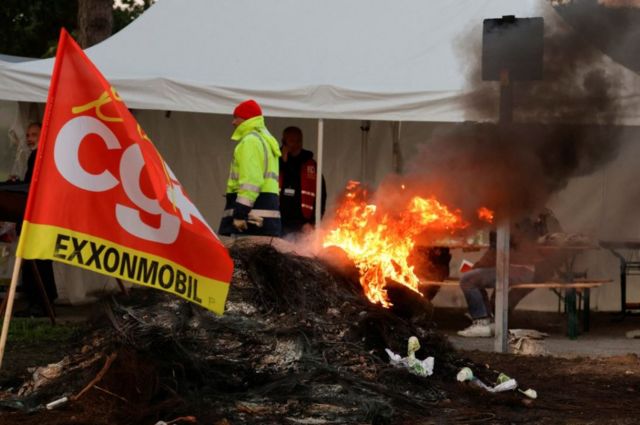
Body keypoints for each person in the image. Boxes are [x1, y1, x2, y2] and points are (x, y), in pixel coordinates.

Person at [457, 209, 563, 337]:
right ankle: (487, 320)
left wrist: (476, 268)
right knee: (475, 279)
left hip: (518, 270)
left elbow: (494, 253)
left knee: (467, 280)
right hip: (525, 270)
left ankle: (482, 322)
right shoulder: (525, 217)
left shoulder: (507, 221)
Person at [5, 123, 58, 316]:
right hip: (39, 215)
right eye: (27, 135)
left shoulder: (41, 155)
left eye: (33, 134)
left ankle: (41, 302)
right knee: (37, 260)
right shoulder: (39, 155)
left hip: (38, 215)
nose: (29, 138)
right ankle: (42, 300)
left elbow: (34, 187)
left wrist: (17, 187)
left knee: (38, 260)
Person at [218, 100, 282, 237]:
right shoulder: (266, 140)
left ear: (246, 119)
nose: (233, 122)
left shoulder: (250, 142)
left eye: (236, 118)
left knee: (243, 257)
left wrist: (240, 214)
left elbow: (251, 183)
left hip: (251, 221)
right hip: (265, 219)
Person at [278, 126, 327, 236]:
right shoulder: (275, 162)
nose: (296, 144)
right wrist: (282, 161)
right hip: (278, 222)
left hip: (303, 225)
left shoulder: (311, 165)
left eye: (299, 140)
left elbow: (321, 196)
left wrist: (314, 222)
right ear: (283, 141)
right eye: (292, 141)